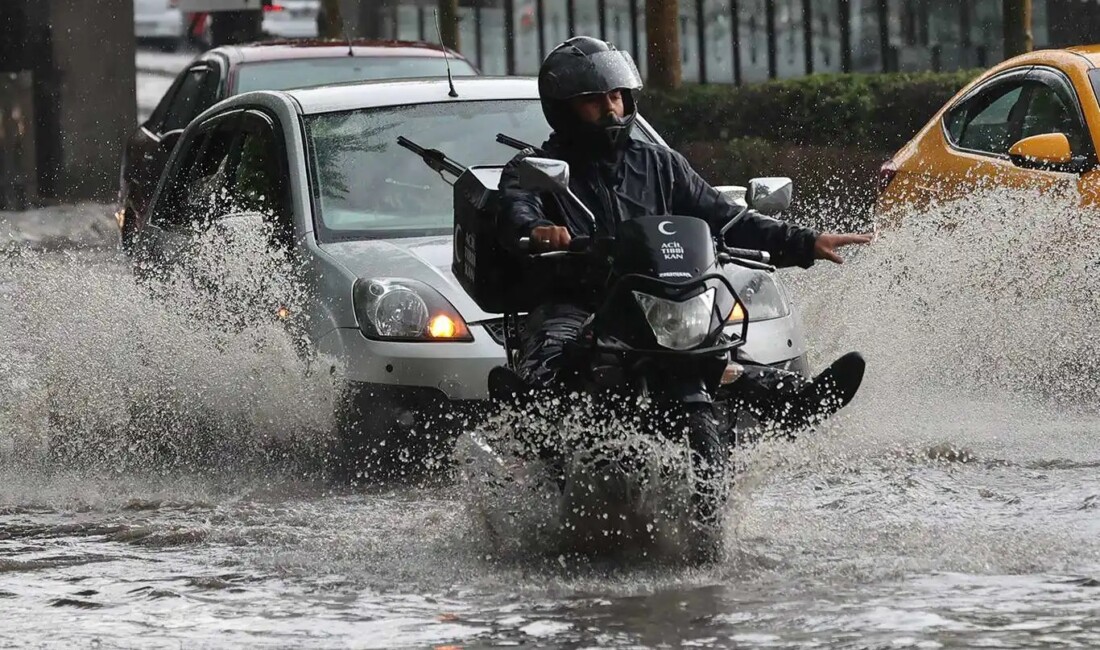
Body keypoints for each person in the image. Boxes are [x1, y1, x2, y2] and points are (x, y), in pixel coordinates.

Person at [498, 36, 871, 433]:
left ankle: (796, 402)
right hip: (575, 299)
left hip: (654, 297)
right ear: (564, 108)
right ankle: (529, 426)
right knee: (551, 365)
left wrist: (805, 241)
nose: (610, 108)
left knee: (718, 349)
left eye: (616, 96)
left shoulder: (661, 164)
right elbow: (516, 209)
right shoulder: (537, 167)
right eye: (594, 99)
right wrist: (538, 231)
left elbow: (723, 216)